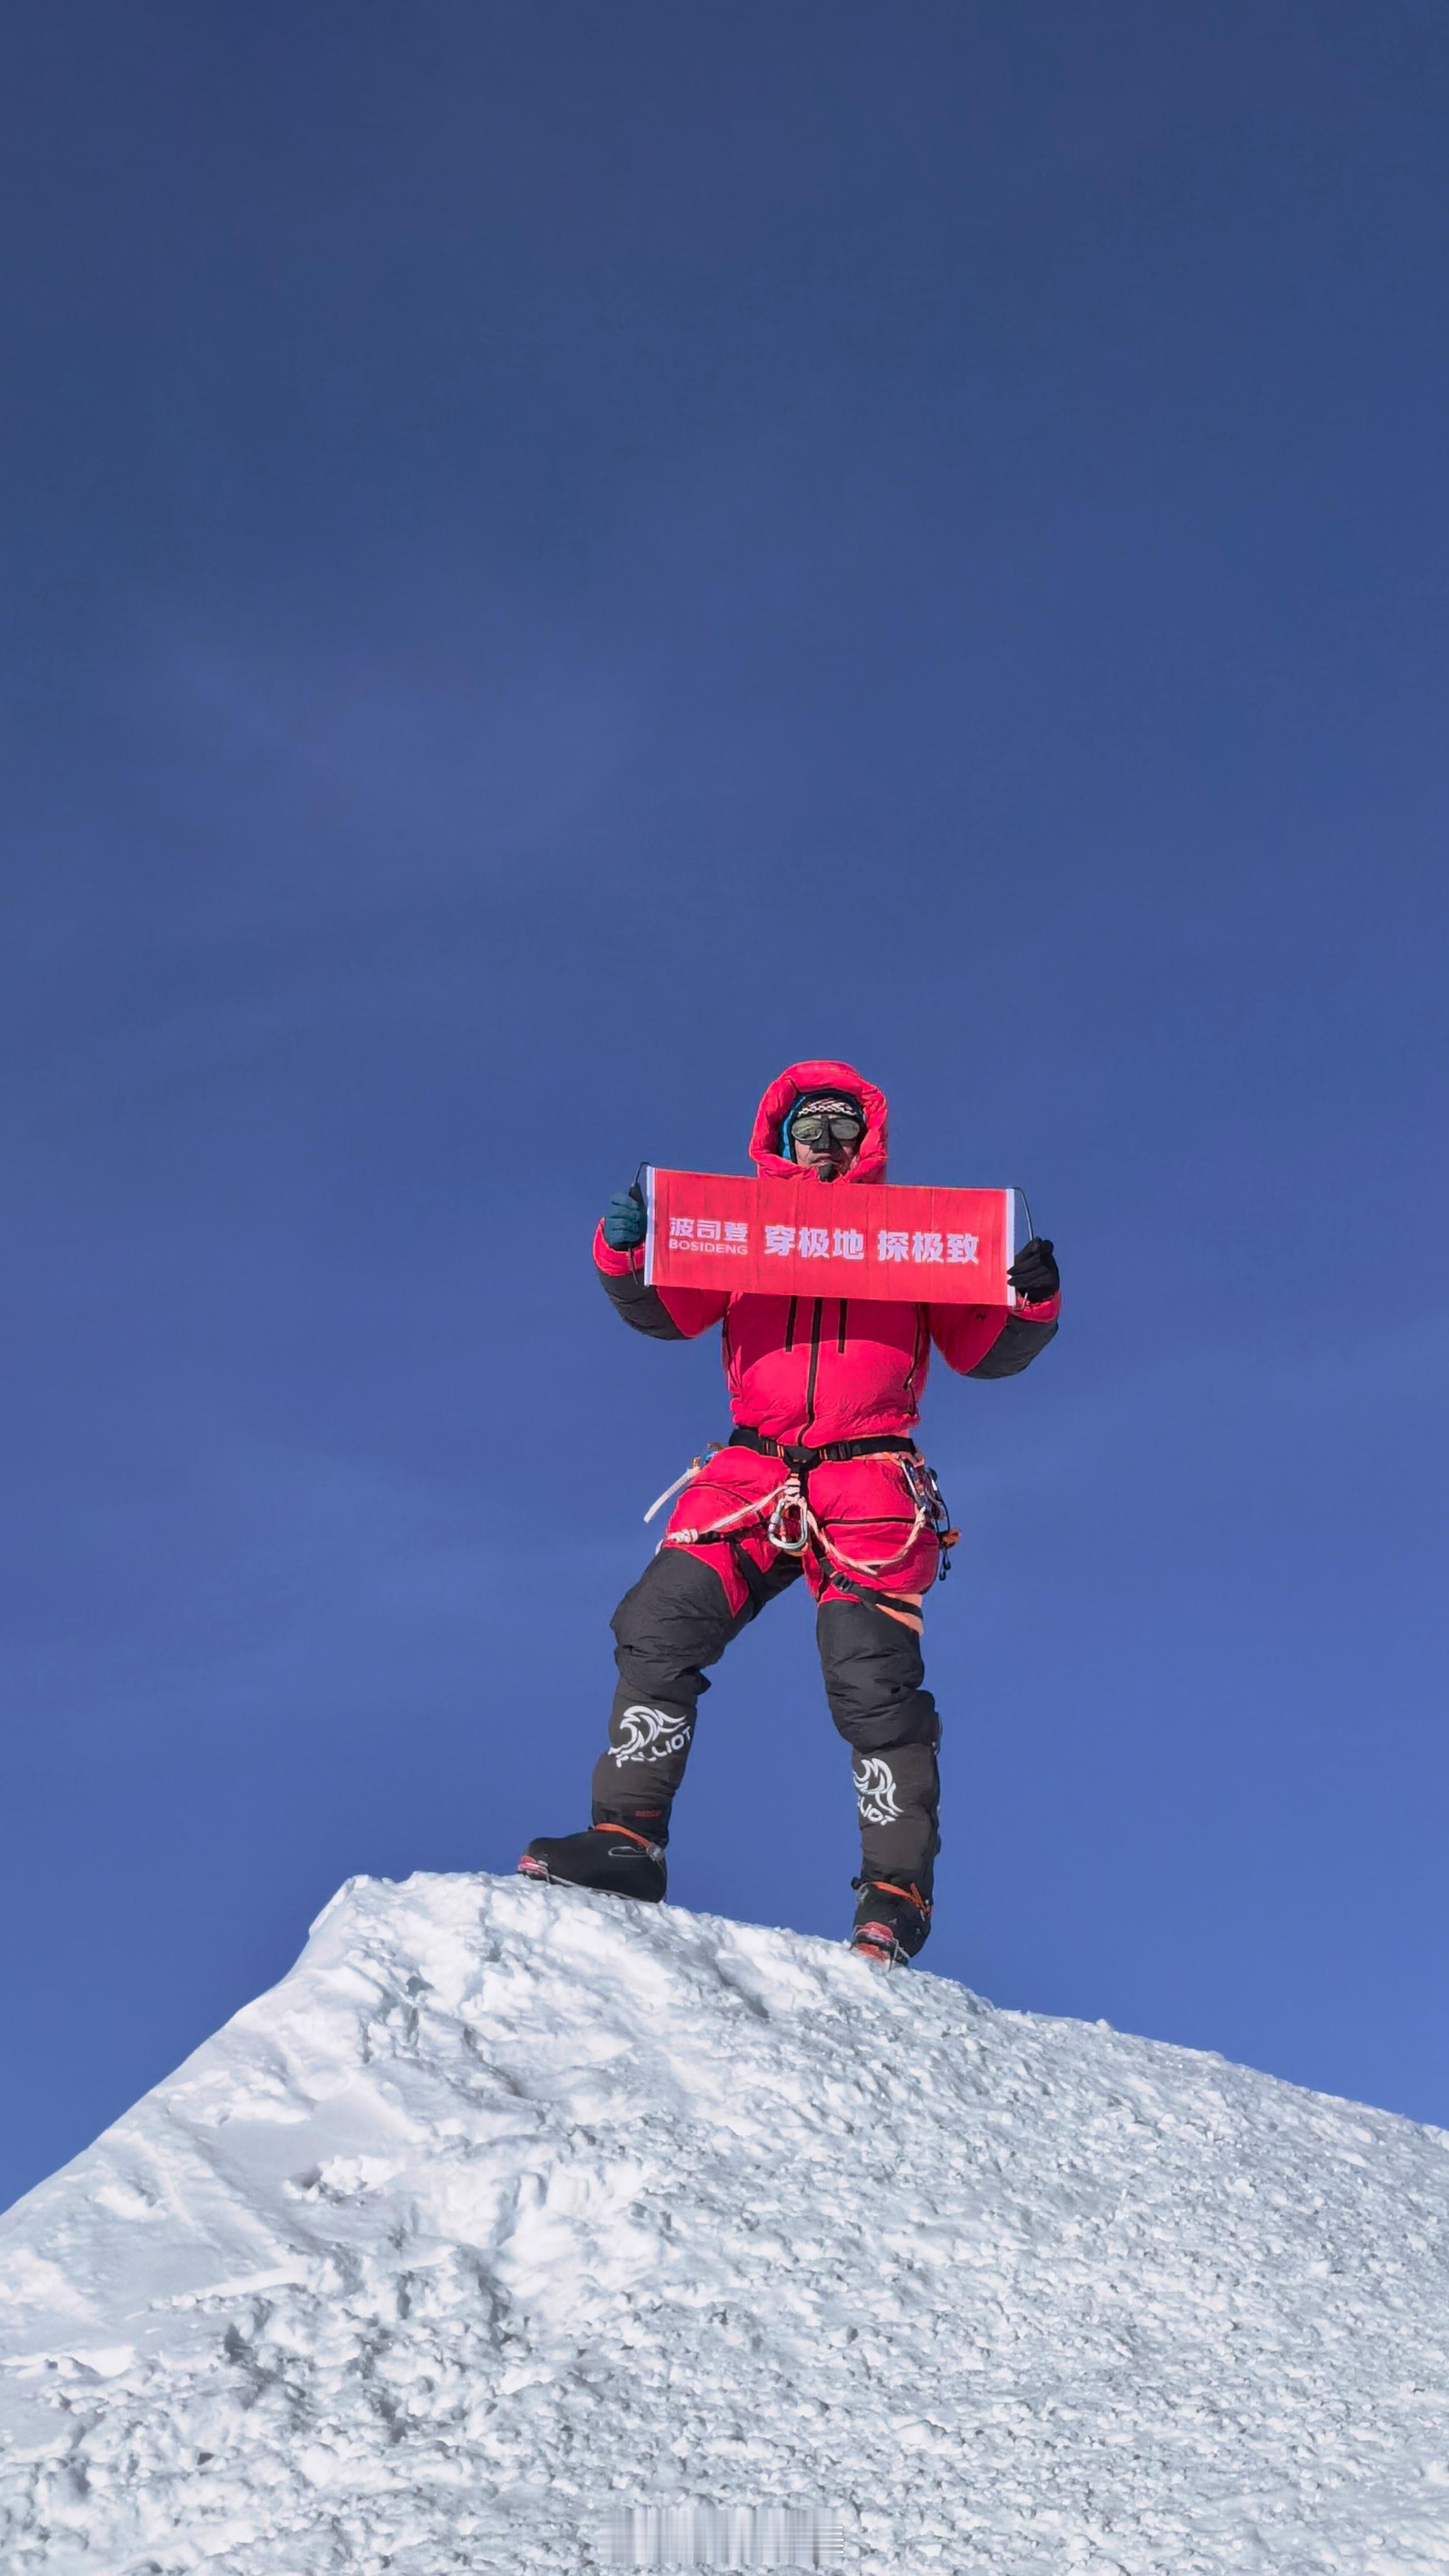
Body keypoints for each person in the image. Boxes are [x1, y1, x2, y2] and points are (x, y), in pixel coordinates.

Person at [520, 1060, 1060, 1965]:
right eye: (807, 1129)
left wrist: (1027, 1292)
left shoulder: (914, 1239)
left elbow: (984, 1348)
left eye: (842, 1129)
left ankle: (894, 1891)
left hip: (869, 1483)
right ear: (778, 1142)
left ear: (869, 1140)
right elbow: (666, 1308)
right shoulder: (740, 1233)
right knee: (659, 1624)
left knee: (870, 1675)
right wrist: (628, 1247)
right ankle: (627, 1841)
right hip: (751, 1470)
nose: (824, 1144)